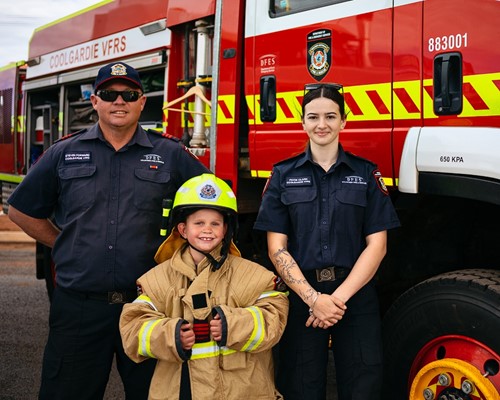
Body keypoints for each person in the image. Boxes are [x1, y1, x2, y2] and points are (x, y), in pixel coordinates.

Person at [7, 61, 210, 400]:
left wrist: (188, 254)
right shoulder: (64, 152)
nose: (120, 101)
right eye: (110, 94)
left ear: (142, 102)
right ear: (95, 102)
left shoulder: (171, 154)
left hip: (150, 308)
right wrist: (63, 242)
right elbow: (20, 210)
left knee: (156, 395)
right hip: (79, 308)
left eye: (129, 94)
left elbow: (212, 206)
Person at [254, 83, 401, 400]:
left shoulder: (365, 174)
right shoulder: (282, 175)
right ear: (302, 122)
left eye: (330, 116)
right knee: (300, 386)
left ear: (344, 121)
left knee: (363, 385)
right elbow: (276, 248)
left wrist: (335, 301)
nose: (322, 124)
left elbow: (378, 246)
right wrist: (313, 299)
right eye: (313, 116)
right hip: (301, 296)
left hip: (355, 296)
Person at [119, 173, 289, 400]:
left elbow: (274, 318)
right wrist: (171, 335)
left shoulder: (255, 276)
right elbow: (133, 330)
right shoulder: (156, 280)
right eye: (198, 223)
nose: (207, 230)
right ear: (182, 229)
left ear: (225, 229)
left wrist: (233, 325)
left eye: (215, 223)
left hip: (241, 392)